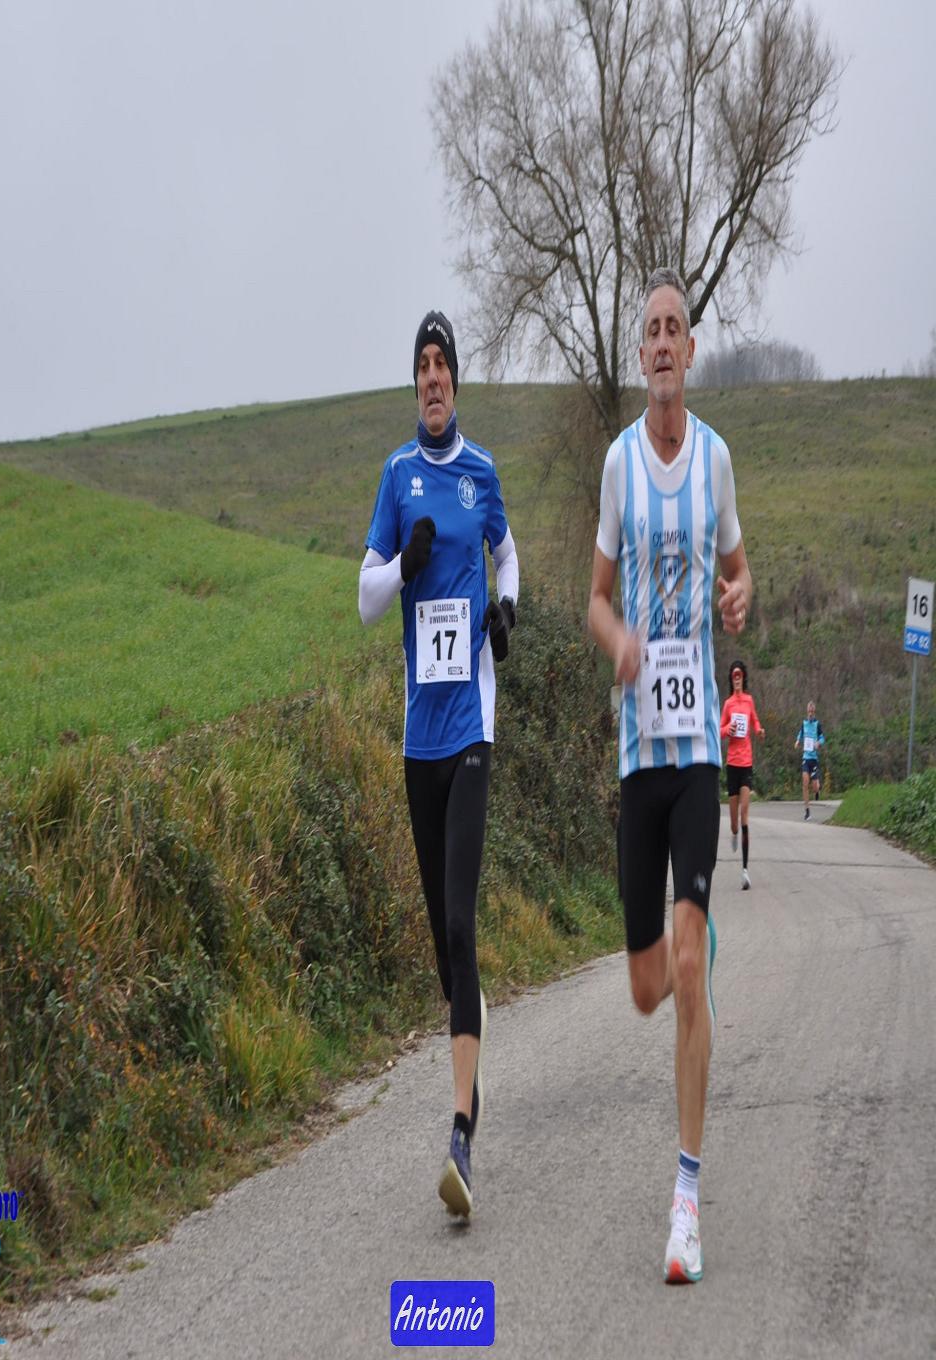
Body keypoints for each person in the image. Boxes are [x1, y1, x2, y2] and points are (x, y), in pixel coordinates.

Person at [587, 268, 752, 1284]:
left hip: (693, 754)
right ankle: (680, 950)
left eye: (672, 329)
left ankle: (685, 1201)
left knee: (689, 967)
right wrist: (617, 641)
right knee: (649, 987)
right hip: (635, 752)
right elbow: (595, 598)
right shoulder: (616, 464)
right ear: (639, 352)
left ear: (690, 353)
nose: (658, 343)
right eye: (648, 329)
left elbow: (740, 572)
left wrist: (738, 596)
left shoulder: (716, 460)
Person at [358, 310, 519, 1220]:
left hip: (471, 729)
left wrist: (506, 608)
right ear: (413, 383)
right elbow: (365, 599)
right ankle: (471, 1040)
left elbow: (508, 556)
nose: (431, 377)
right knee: (442, 949)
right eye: (420, 364)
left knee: (461, 923)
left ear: (456, 381)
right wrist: (403, 563)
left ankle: (460, 1133)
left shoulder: (480, 472)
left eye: (441, 364)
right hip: (419, 739)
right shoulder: (396, 475)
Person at [720, 659, 765, 890]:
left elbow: (755, 721)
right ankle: (734, 832)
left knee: (744, 813)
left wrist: (759, 731)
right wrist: (728, 729)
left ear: (743, 677)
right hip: (732, 765)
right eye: (733, 675)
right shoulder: (728, 704)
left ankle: (745, 871)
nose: (736, 677)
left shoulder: (749, 700)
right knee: (734, 824)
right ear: (731, 679)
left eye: (739, 674)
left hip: (746, 762)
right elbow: (719, 730)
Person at [795, 700, 825, 820]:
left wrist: (818, 743)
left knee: (815, 787)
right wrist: (797, 741)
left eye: (812, 711)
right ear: (807, 711)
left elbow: (822, 738)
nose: (811, 713)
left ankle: (817, 790)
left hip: (814, 759)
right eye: (809, 711)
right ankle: (807, 811)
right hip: (806, 758)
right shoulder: (804, 723)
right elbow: (800, 734)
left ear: (814, 712)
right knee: (805, 783)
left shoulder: (817, 724)